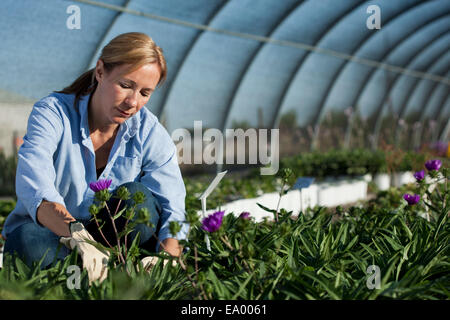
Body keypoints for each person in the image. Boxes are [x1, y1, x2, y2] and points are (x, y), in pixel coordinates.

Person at [1, 32, 189, 283]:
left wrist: (168, 258)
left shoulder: (150, 132)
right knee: (27, 241)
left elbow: (173, 206)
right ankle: (99, 275)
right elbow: (35, 186)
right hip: (54, 233)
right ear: (100, 71)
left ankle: (115, 274)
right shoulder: (53, 113)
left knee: (138, 199)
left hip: (113, 239)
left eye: (145, 93)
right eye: (125, 85)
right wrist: (77, 235)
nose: (133, 102)